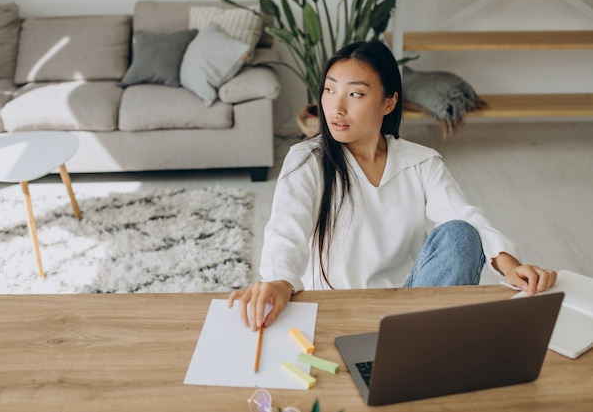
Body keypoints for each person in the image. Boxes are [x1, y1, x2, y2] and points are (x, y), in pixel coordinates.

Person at [229, 41, 557, 331]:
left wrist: (512, 267)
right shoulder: (306, 160)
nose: (337, 108)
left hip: (410, 309)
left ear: (388, 103)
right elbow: (286, 231)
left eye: (355, 94)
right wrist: (278, 281)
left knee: (460, 234)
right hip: (337, 313)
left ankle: (417, 345)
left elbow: (467, 218)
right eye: (330, 90)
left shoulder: (420, 161)